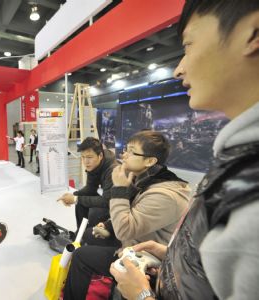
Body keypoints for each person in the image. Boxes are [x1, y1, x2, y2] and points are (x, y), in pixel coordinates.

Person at [110, 1, 259, 299]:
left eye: (189, 45)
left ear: (252, 33)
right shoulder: (236, 164)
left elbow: (126, 228)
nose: (179, 68)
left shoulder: (248, 191)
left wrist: (142, 296)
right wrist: (172, 255)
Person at [62, 131, 190, 299]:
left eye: (131, 151)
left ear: (150, 161)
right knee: (89, 231)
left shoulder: (164, 194)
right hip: (134, 241)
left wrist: (119, 188)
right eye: (125, 149)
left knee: (81, 254)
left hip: (146, 256)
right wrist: (107, 225)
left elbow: (118, 218)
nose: (124, 154)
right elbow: (99, 193)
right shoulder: (142, 177)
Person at [57, 137, 117, 233]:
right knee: (80, 204)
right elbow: (91, 188)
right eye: (83, 157)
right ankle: (81, 233)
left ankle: (92, 236)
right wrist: (73, 195)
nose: (85, 161)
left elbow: (107, 201)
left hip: (117, 203)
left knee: (94, 212)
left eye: (89, 157)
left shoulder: (113, 170)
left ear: (100, 155)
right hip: (107, 196)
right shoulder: (94, 165)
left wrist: (76, 199)